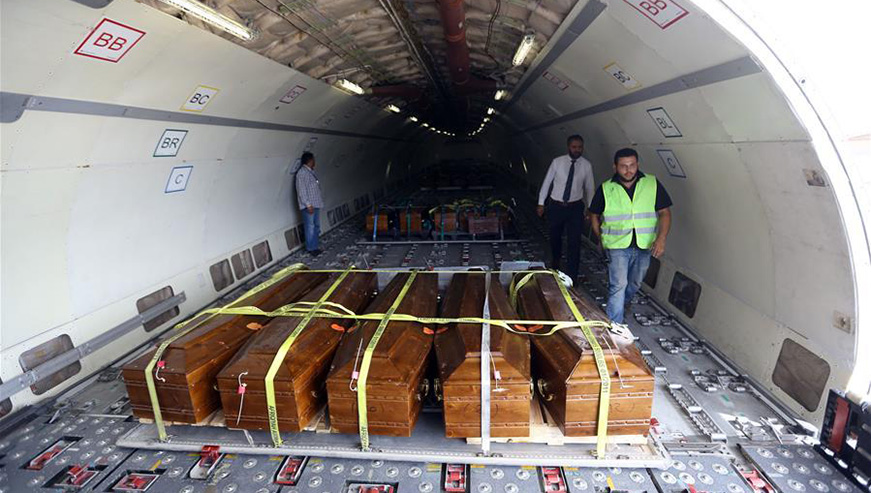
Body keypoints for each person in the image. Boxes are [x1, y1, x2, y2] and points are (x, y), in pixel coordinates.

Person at [589, 148, 673, 324]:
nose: (628, 170)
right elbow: (593, 214)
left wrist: (661, 239)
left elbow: (665, 213)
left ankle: (623, 304)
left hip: (644, 245)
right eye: (623, 166)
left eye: (632, 165)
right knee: (618, 285)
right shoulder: (606, 188)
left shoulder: (651, 184)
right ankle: (615, 325)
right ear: (615, 167)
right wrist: (600, 237)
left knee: (634, 284)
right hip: (617, 245)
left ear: (638, 165)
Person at [536, 135, 595, 282]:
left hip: (575, 207)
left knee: (574, 242)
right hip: (556, 206)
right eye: (574, 147)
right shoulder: (557, 162)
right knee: (555, 238)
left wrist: (590, 209)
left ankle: (571, 276)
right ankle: (555, 264)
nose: (577, 150)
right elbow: (547, 182)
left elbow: (590, 188)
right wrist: (541, 203)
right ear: (568, 147)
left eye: (580, 147)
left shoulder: (586, 165)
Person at [295, 151, 323, 256]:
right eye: (313, 159)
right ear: (310, 160)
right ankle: (311, 248)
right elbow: (301, 191)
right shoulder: (302, 173)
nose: (314, 161)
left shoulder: (310, 172)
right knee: (310, 227)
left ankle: (315, 246)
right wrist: (308, 204)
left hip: (315, 204)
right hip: (309, 206)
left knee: (316, 226)